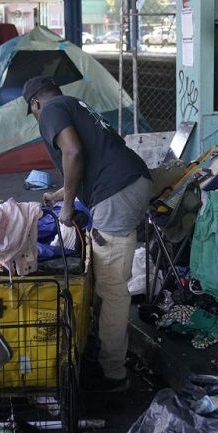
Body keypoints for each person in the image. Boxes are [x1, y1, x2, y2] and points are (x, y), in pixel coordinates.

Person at [23, 76, 152, 392]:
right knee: (104, 278)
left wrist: (67, 206)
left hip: (117, 192)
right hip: (130, 182)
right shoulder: (75, 104)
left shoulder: (51, 111)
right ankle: (102, 353)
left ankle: (114, 373)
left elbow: (74, 153)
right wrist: (60, 193)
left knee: (111, 287)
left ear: (35, 104)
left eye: (34, 113)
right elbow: (93, 161)